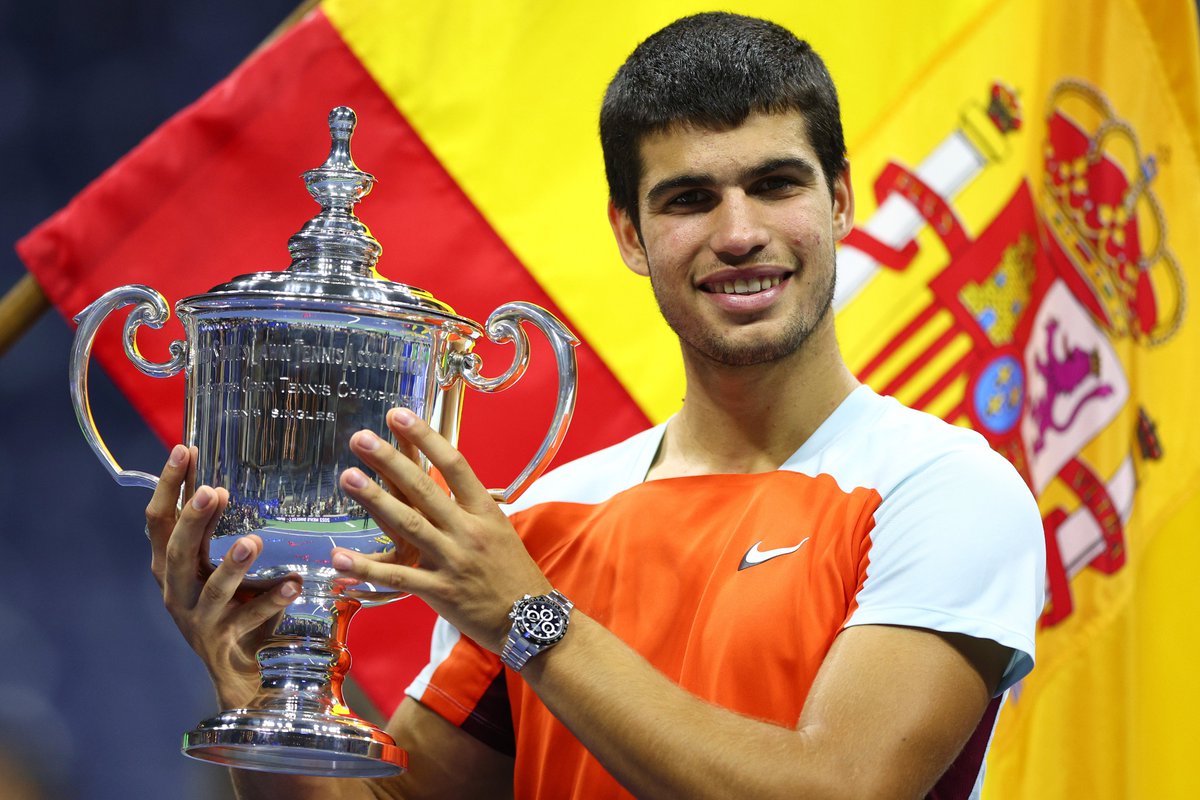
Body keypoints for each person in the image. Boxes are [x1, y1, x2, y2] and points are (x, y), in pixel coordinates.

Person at [146, 12, 1045, 799]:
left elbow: (839, 787)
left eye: (776, 184)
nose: (739, 234)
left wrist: (531, 621)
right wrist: (257, 694)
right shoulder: (543, 522)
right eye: (689, 199)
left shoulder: (947, 488)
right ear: (629, 233)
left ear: (841, 199)